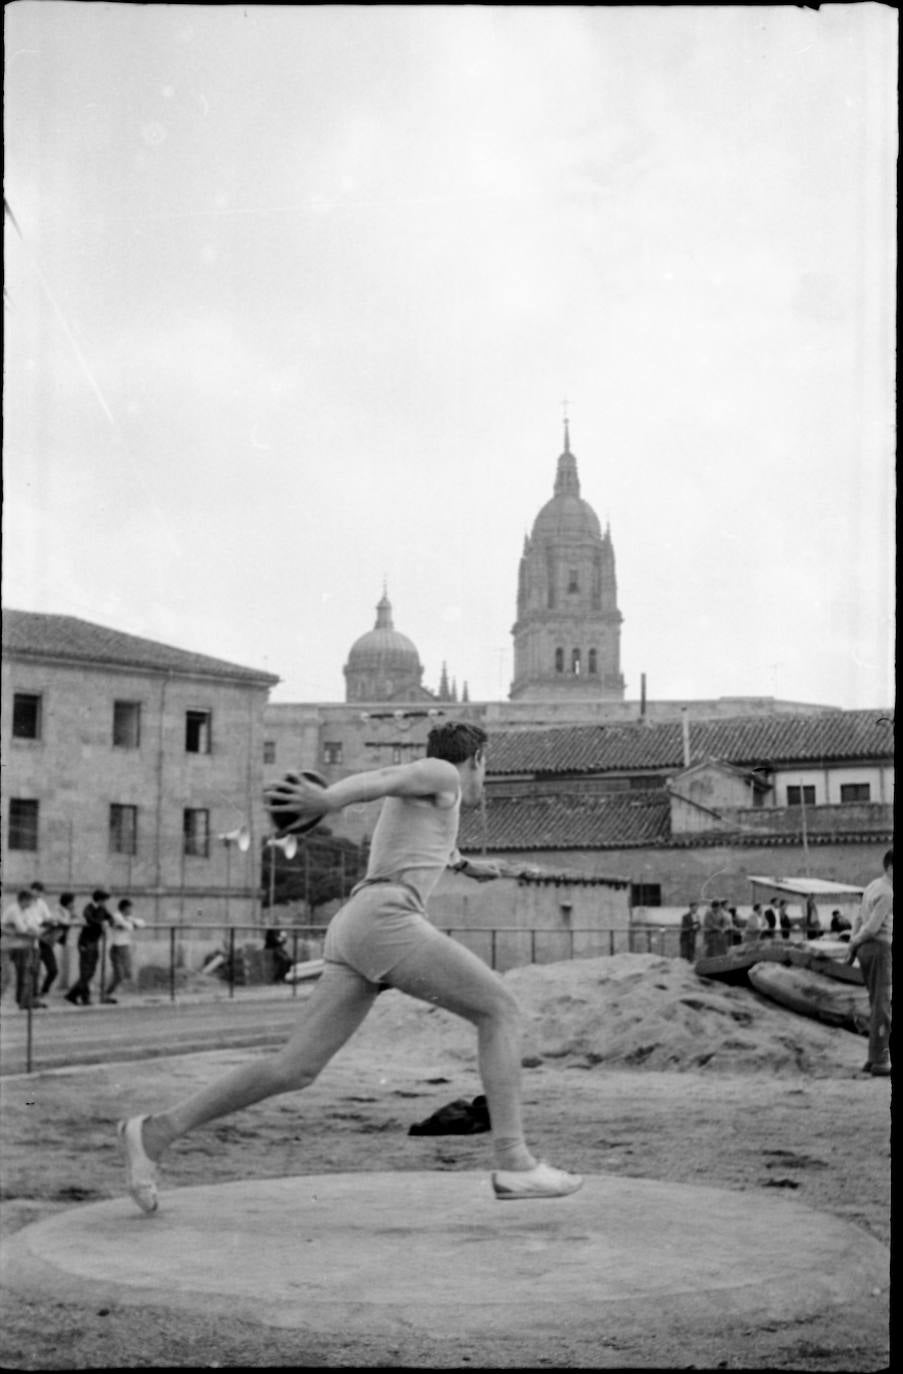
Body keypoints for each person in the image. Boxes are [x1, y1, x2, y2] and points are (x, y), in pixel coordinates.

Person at [118, 722, 582, 1213]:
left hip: (356, 924)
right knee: (501, 1012)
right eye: (486, 769)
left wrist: (474, 867)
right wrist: (327, 801)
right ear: (479, 759)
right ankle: (515, 1162)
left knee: (294, 1068)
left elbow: (432, 846)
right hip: (386, 919)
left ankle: (154, 1133)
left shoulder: (434, 801)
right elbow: (384, 776)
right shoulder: (443, 772)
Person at [846, 851, 892, 1077]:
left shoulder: (873, 886)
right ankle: (881, 1060)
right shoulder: (888, 893)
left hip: (866, 950)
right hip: (880, 948)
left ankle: (873, 1057)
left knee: (876, 1004)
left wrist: (853, 945)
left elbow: (858, 919)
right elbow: (872, 927)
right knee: (883, 1006)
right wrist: (856, 940)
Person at [66, 889, 114, 1006]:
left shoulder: (102, 909)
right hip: (86, 942)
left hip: (95, 941)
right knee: (85, 971)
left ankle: (72, 994)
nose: (105, 903)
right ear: (100, 899)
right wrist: (101, 923)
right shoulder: (89, 908)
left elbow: (110, 918)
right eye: (104, 900)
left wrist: (108, 922)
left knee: (91, 971)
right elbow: (88, 918)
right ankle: (83, 997)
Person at [1, 890, 45, 1009]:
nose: (31, 904)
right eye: (30, 901)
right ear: (24, 900)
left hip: (18, 946)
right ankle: (22, 1000)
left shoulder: (23, 910)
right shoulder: (14, 910)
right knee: (6, 977)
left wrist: (35, 930)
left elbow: (31, 925)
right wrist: (34, 932)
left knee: (23, 973)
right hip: (6, 946)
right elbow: (22, 929)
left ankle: (23, 1000)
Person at [105, 899, 145, 1002]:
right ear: (124, 908)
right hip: (117, 947)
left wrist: (131, 924)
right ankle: (106, 994)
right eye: (129, 908)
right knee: (120, 974)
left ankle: (108, 993)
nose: (131, 910)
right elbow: (127, 926)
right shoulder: (117, 916)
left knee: (126, 973)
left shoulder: (128, 917)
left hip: (125, 947)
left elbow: (141, 923)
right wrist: (130, 925)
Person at [37, 891, 76, 997]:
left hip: (48, 944)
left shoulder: (67, 912)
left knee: (53, 970)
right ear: (67, 902)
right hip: (41, 942)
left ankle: (43, 992)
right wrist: (72, 920)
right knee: (37, 970)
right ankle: (34, 994)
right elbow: (60, 921)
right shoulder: (57, 909)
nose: (73, 905)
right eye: (72, 902)